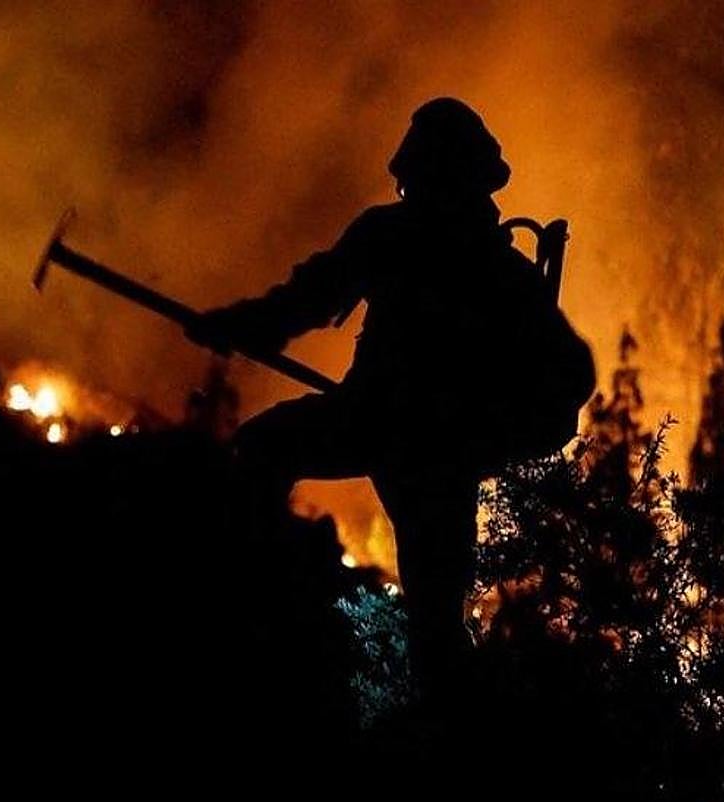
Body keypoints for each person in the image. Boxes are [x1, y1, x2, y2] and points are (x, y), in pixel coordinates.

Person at [186, 97, 595, 702]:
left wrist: (487, 437)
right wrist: (242, 324)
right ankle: (275, 617)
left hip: (407, 440)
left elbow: (565, 379)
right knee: (435, 623)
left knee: (264, 453)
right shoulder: (474, 261)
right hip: (404, 437)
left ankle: (265, 625)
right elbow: (309, 296)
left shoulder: (422, 245)